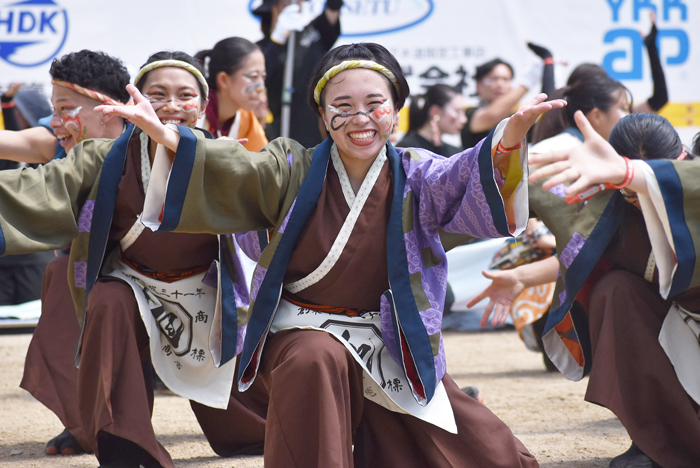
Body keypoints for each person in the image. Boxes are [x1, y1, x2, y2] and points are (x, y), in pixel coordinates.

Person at [98, 42, 566, 467]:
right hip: (303, 326)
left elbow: (466, 176)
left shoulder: (419, 174)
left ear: (396, 111)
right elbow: (238, 170)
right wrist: (170, 137)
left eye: (374, 104)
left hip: (387, 337)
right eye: (342, 107)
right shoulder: (291, 167)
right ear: (323, 117)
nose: (360, 119)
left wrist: (507, 140)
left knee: (483, 451)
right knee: (311, 359)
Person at [6, 51, 267, 468]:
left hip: (204, 295)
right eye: (157, 94)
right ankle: (121, 440)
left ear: (202, 105)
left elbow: (267, 193)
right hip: (132, 287)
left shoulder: (221, 153)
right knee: (95, 294)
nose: (171, 104)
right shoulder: (103, 156)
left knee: (260, 427)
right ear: (135, 101)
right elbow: (41, 186)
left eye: (185, 95)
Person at [508, 111, 700, 468]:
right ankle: (653, 438)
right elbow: (577, 248)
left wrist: (638, 177)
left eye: (654, 176)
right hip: (671, 331)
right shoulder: (599, 194)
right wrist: (505, 147)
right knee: (615, 291)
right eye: (629, 189)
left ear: (683, 161)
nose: (639, 195)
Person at [254, 0, 342, 147]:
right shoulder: (261, 48)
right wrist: (278, 39)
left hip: (316, 127)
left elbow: (333, 11)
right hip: (282, 128)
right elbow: (262, 76)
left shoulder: (312, 33)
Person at [0, 83, 55, 305]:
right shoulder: (6, 161)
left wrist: (7, 106)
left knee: (36, 327)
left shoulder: (53, 158)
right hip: (4, 260)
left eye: (18, 113)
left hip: (36, 260)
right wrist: (7, 106)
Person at [461, 43, 555, 149]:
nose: (500, 84)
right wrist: (526, 84)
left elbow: (545, 117)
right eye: (493, 79)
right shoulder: (468, 114)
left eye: (506, 79)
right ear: (479, 85)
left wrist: (549, 67)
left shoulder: (515, 116)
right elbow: (492, 115)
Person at [194, 37, 268, 150]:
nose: (261, 87)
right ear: (224, 80)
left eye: (263, 77)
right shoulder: (193, 113)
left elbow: (263, 160)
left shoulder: (246, 118)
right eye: (253, 76)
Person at [397, 83, 466, 156]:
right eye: (457, 111)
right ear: (435, 112)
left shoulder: (455, 152)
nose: (464, 120)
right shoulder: (407, 149)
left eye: (463, 112)